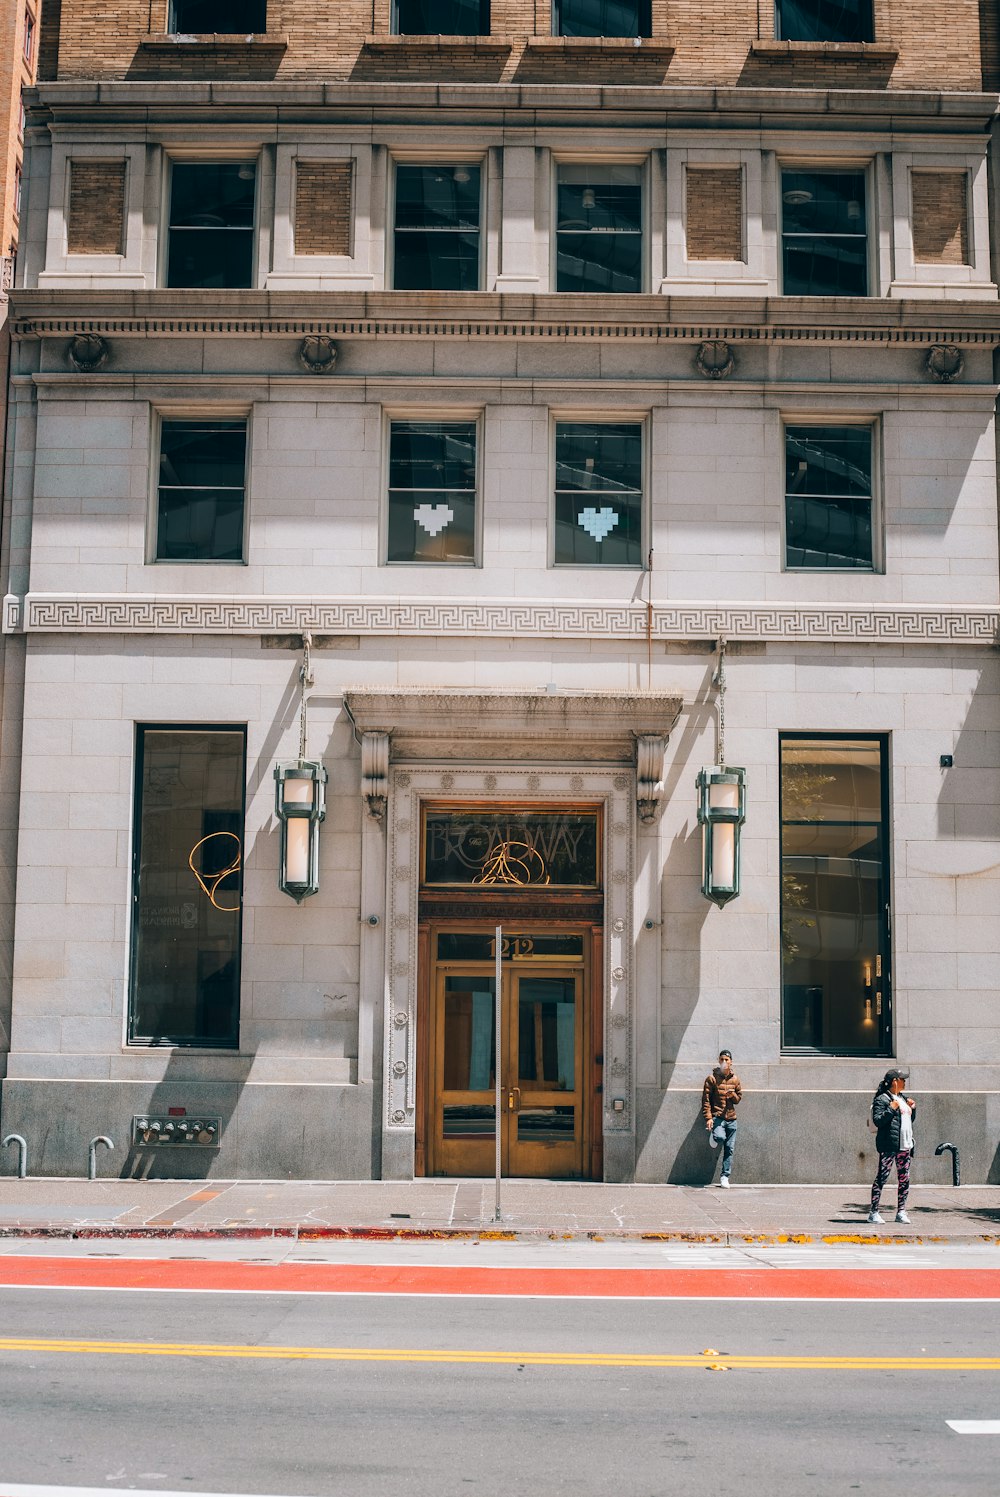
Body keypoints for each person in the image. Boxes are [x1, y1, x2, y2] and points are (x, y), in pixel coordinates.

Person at [868, 1068, 916, 1224]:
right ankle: (873, 1212)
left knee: (904, 1179)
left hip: (905, 1145)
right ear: (895, 1081)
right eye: (902, 1079)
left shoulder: (902, 1098)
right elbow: (878, 1120)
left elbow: (907, 1121)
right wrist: (891, 1108)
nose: (905, 1082)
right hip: (889, 1145)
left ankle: (901, 1211)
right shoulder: (882, 1099)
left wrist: (913, 1109)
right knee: (882, 1177)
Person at [701, 1049, 742, 1187]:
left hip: (732, 1118)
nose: (724, 1062)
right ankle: (714, 1135)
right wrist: (708, 1118)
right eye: (722, 1059)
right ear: (719, 1061)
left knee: (729, 1149)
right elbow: (706, 1100)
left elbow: (738, 1099)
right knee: (720, 1138)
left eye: (727, 1060)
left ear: (731, 1062)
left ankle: (725, 1176)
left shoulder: (735, 1079)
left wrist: (733, 1096)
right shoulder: (711, 1078)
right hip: (718, 1117)